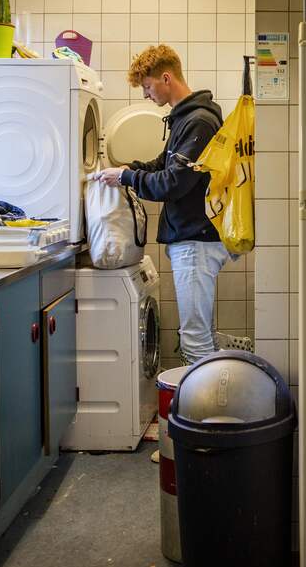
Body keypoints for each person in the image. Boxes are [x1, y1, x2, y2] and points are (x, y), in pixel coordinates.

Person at [90, 43, 230, 365]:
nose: (145, 94)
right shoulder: (185, 118)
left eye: (147, 86)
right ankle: (212, 392)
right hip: (192, 237)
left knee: (194, 340)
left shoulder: (199, 122)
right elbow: (163, 165)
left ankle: (203, 397)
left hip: (196, 240)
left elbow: (173, 183)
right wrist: (129, 169)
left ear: (166, 78)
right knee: (201, 334)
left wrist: (127, 178)